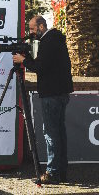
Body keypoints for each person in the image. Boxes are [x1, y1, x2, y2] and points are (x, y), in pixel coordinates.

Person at [13, 15, 73, 184]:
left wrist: (24, 60)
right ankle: (61, 171)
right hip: (61, 93)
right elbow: (44, 64)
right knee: (59, 132)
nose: (31, 33)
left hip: (51, 94)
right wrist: (28, 58)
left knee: (51, 133)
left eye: (32, 29)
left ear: (41, 27)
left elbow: (41, 67)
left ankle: (52, 172)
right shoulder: (57, 39)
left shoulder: (48, 42)